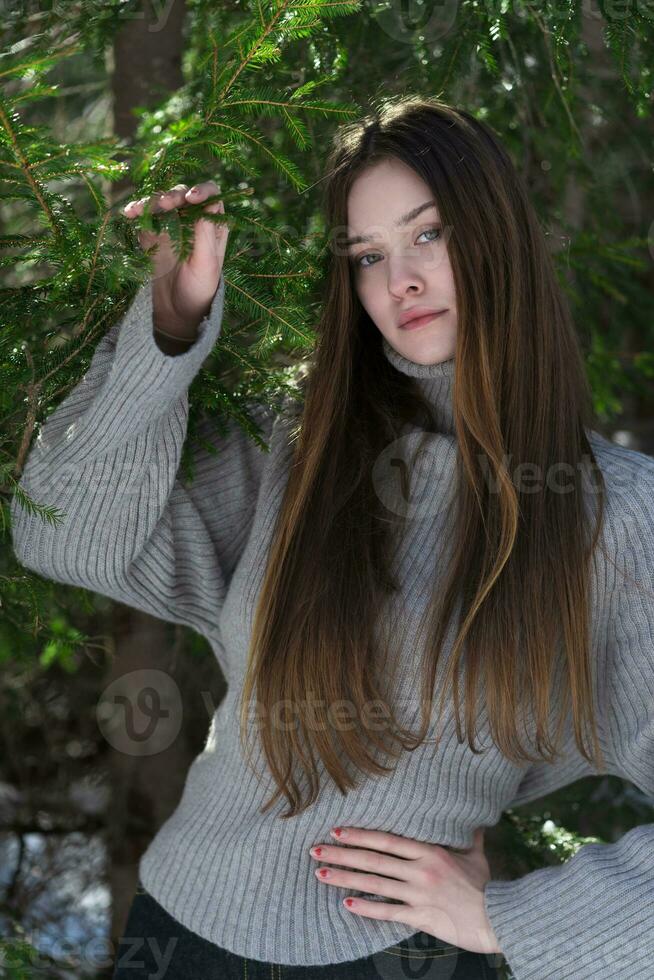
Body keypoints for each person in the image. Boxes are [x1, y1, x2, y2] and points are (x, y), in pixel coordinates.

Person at [10, 96, 653, 979]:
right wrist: (168, 326)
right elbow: (65, 537)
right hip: (180, 939)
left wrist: (517, 919)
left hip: (407, 960)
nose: (402, 282)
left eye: (429, 235)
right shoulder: (301, 442)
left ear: (498, 235)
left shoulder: (615, 519)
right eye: (368, 256)